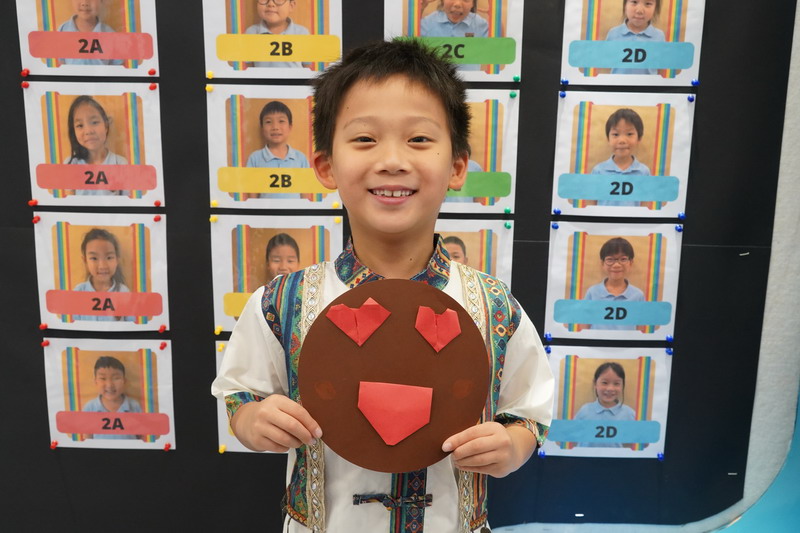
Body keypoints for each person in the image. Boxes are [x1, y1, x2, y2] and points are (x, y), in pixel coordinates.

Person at [212, 39, 553, 533]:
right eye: (365, 139)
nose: (392, 160)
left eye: (419, 139)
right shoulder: (283, 302)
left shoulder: (493, 306)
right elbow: (239, 396)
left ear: (457, 166)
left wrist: (512, 447)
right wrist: (252, 422)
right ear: (326, 165)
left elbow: (528, 412)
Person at [64, 96, 129, 196]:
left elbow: (127, 201)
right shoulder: (71, 163)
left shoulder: (120, 163)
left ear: (106, 126)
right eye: (80, 125)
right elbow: (68, 200)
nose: (88, 131)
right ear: (74, 131)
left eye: (94, 122)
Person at [245, 101, 309, 199]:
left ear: (290, 127)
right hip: (265, 209)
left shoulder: (301, 158)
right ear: (262, 128)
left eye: (281, 121)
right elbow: (252, 196)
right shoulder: (255, 158)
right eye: (268, 122)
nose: (275, 127)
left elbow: (305, 194)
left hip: (294, 209)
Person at [590, 108, 650, 207]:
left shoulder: (643, 172)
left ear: (639, 138)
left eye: (629, 134)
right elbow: (592, 204)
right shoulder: (598, 171)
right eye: (616, 134)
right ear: (608, 138)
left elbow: (645, 205)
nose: (622, 140)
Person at [583, 237, 644, 330]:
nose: (616, 265)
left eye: (623, 259)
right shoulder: (592, 292)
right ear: (602, 263)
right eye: (610, 259)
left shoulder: (638, 295)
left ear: (631, 262)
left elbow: (640, 329)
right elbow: (584, 326)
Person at [72, 228, 134, 322]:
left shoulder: (123, 292)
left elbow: (131, 325)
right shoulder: (78, 292)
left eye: (109, 257)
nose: (102, 266)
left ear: (117, 260)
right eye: (94, 258)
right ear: (85, 261)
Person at [573, 362, 635, 448]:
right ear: (595, 384)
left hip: (614, 456)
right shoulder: (585, 410)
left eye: (616, 383)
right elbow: (572, 434)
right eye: (605, 382)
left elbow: (641, 440)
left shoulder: (628, 413)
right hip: (585, 456)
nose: (610, 388)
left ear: (622, 386)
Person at [83, 356, 143, 439]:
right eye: (103, 378)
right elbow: (87, 438)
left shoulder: (134, 406)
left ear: (124, 381)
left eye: (116, 378)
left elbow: (140, 437)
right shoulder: (90, 407)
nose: (109, 385)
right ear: (95, 382)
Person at [419, 0, 488, 71]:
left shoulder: (480, 24)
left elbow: (494, 48)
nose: (457, 4)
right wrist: (420, 9)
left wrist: (494, 17)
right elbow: (413, 46)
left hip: (469, 77)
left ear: (473, 3)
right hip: (436, 77)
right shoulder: (428, 22)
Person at [244, 0, 310, 68]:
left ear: (291, 6)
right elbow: (249, 67)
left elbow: (307, 66)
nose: (271, 4)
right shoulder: (251, 33)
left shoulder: (302, 33)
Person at [605, 0, 665, 75]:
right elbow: (607, 62)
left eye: (648, 4)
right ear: (625, 5)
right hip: (618, 82)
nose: (639, 11)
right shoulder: (613, 33)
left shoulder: (659, 36)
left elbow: (660, 67)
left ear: (655, 8)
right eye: (634, 2)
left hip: (648, 82)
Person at [58, 0, 123, 66]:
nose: (84, 3)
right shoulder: (62, 30)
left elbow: (117, 66)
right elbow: (61, 63)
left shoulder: (110, 35)